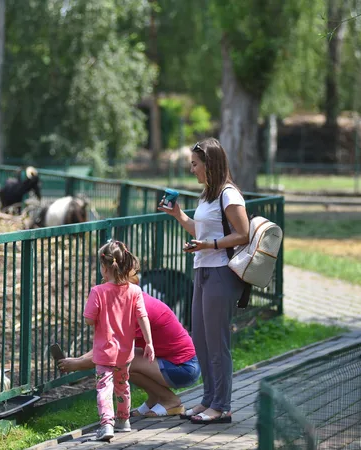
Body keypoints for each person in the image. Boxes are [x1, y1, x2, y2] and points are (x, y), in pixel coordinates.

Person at [158, 137, 250, 425]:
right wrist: (178, 215)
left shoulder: (228, 195)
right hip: (202, 271)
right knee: (201, 341)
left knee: (216, 342)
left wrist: (209, 245)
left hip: (221, 272)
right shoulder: (207, 195)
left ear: (210, 164)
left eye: (195, 164)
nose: (192, 169)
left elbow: (243, 234)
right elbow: (198, 229)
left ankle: (222, 407)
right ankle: (209, 399)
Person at [58, 270, 200, 418]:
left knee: (122, 361)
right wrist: (77, 360)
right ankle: (155, 398)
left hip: (184, 368)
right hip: (172, 363)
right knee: (125, 360)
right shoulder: (135, 302)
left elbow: (110, 351)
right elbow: (107, 343)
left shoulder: (137, 312)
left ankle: (170, 400)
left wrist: (77, 365)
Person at [81, 240, 154, 442]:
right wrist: (149, 343)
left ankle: (106, 425)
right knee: (122, 384)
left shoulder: (98, 291)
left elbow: (88, 320)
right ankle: (124, 420)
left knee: (104, 386)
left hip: (104, 352)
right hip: (125, 352)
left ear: (104, 269)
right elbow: (143, 317)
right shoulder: (134, 291)